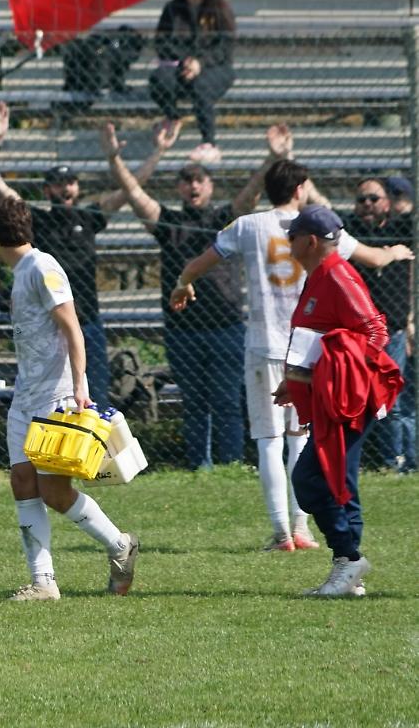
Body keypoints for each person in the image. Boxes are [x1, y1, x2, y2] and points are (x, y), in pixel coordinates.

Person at [170, 156, 413, 547]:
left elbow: (202, 260)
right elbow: (373, 257)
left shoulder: (249, 225)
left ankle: (281, 531)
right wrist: (396, 252)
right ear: (301, 188)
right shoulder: (322, 229)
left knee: (268, 440)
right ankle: (302, 530)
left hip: (264, 343)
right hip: (311, 352)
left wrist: (184, 282)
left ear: (267, 189)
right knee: (303, 436)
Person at [0, 104, 183, 407]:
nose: (65, 188)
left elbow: (131, 189)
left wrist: (156, 152)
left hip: (87, 324)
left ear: (78, 187)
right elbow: (0, 188)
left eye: (70, 182)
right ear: (46, 191)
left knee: (92, 400)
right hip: (50, 330)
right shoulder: (35, 220)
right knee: (53, 403)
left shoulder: (90, 216)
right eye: (57, 183)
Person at [0, 196, 139, 601]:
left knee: (53, 491)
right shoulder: (20, 272)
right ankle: (43, 581)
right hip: (25, 395)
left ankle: (119, 545)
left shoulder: (42, 266)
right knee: (21, 481)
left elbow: (72, 328)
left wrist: (79, 386)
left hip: (55, 394)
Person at [106, 125, 295, 469]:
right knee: (194, 403)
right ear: (179, 187)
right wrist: (116, 158)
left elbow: (251, 193)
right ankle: (199, 466)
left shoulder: (224, 218)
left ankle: (230, 465)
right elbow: (133, 193)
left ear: (210, 185)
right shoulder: (169, 222)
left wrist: (274, 156)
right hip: (183, 330)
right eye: (187, 179)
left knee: (226, 401)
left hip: (225, 328)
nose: (193, 185)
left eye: (200, 179)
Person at [274, 206, 401, 597]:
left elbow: (376, 331)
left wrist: (343, 373)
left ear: (310, 241)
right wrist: (295, 383)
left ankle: (348, 558)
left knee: (310, 479)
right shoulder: (318, 275)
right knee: (339, 482)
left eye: (292, 236)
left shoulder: (338, 275)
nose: (288, 243)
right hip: (333, 399)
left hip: (349, 400)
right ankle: (349, 574)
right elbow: (315, 338)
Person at [343, 177, 414, 475]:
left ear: (388, 202)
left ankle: (394, 461)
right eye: (362, 200)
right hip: (359, 333)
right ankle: (354, 458)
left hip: (393, 332)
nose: (367, 205)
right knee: (356, 399)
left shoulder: (404, 230)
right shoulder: (350, 232)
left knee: (392, 401)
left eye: (374, 199)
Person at [148, 0, 236, 166]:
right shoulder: (172, 10)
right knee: (159, 79)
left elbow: (225, 48)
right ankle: (172, 118)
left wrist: (200, 63)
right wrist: (185, 62)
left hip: (216, 67)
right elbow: (161, 43)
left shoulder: (220, 9)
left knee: (201, 86)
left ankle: (209, 143)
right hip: (180, 66)